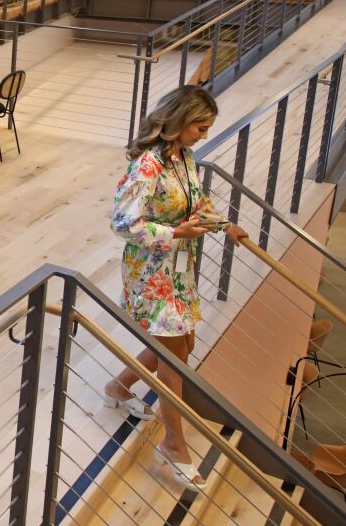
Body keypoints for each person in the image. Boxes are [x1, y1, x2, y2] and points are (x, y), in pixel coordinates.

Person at [105, 85, 248, 493]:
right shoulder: (147, 167)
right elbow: (122, 224)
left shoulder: (185, 158)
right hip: (150, 271)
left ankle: (117, 387)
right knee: (174, 358)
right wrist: (173, 232)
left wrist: (225, 226)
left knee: (182, 345)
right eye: (199, 128)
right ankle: (174, 442)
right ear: (180, 120)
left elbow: (197, 204)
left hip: (180, 267)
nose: (203, 135)